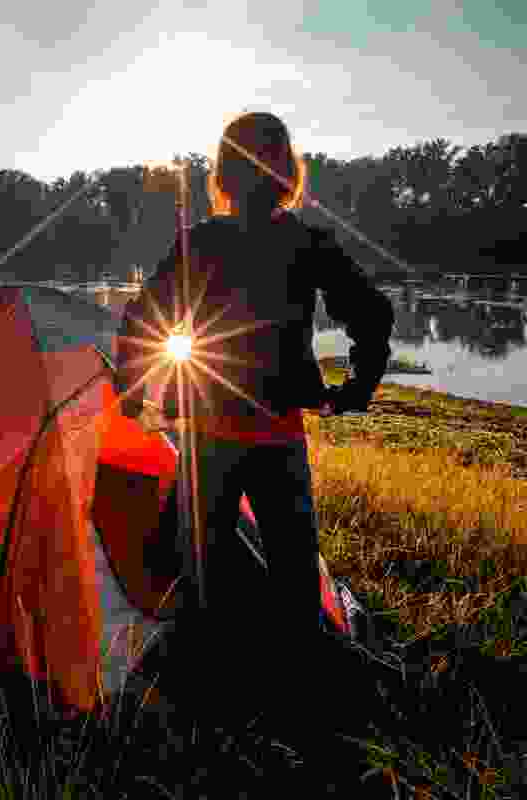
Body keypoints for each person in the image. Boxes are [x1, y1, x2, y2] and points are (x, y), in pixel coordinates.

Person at [115, 111, 395, 792]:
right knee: (296, 579)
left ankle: (209, 713)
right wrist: (354, 387)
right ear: (285, 171)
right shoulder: (307, 240)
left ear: (225, 173)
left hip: (208, 436)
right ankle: (304, 714)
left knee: (200, 577)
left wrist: (132, 387)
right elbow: (373, 313)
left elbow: (144, 315)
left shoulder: (201, 241)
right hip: (277, 436)